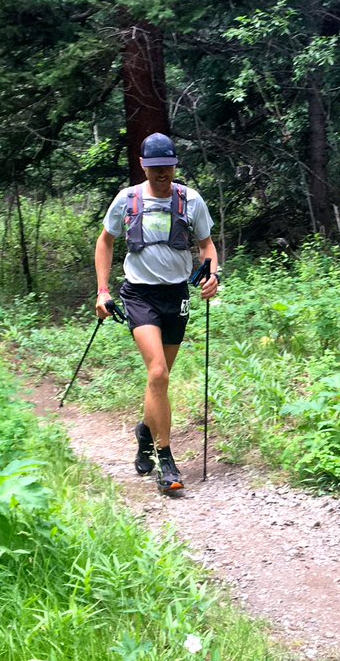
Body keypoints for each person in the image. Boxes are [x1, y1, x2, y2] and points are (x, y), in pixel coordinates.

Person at [94, 133, 219, 493]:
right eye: (154, 168)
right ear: (144, 166)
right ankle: (166, 461)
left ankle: (145, 431)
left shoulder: (191, 201)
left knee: (158, 381)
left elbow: (206, 244)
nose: (161, 174)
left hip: (176, 295)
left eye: (167, 167)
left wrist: (212, 276)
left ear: (175, 165)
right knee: (159, 373)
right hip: (139, 294)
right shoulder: (127, 199)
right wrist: (103, 291)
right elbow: (105, 241)